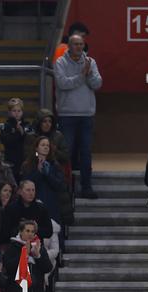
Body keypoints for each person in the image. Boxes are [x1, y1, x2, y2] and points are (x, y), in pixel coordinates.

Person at [54, 34, 103, 199]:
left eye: (81, 44)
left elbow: (97, 84)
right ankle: (64, 187)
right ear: (69, 46)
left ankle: (86, 187)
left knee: (86, 152)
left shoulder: (91, 62)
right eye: (75, 44)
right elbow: (63, 83)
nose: (79, 47)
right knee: (65, 153)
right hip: (67, 114)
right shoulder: (60, 62)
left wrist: (88, 74)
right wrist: (82, 75)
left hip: (86, 115)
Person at [20, 136, 67, 224]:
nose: (46, 147)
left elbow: (59, 185)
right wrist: (38, 171)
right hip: (34, 204)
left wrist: (48, 174)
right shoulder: (27, 165)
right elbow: (25, 184)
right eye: (43, 145)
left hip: (52, 204)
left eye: (48, 145)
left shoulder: (55, 165)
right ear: (36, 148)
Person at [0, 97, 32, 179]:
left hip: (25, 160)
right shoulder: (7, 126)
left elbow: (32, 141)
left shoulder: (27, 125)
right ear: (9, 112)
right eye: (14, 111)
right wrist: (17, 133)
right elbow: (5, 140)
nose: (17, 113)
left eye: (19, 111)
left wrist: (22, 133)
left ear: (22, 112)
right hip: (11, 160)